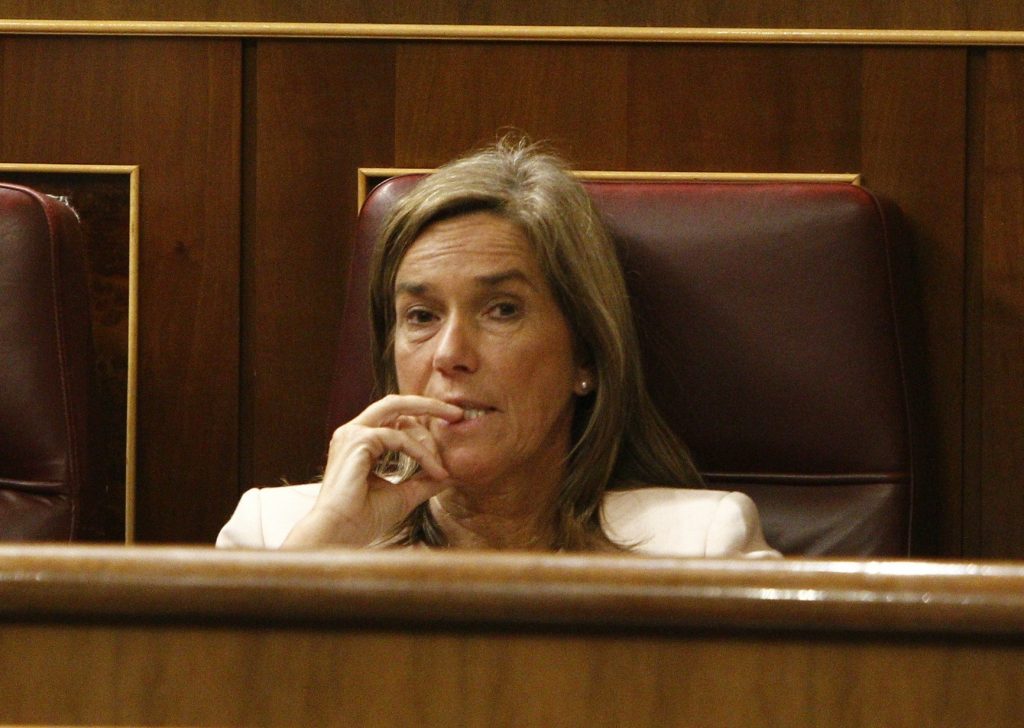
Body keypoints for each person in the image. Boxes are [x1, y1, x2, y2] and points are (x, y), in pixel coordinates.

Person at [218, 137, 778, 557]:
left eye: (502, 310)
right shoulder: (276, 534)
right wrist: (325, 546)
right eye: (421, 316)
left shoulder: (700, 545)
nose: (449, 354)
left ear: (586, 354)